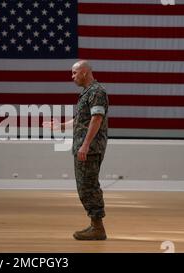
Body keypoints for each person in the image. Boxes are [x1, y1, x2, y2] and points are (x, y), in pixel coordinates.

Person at [44, 60, 109, 241]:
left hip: (90, 148)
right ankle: (95, 225)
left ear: (85, 72)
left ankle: (98, 228)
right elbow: (81, 119)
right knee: (84, 185)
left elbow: (96, 119)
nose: (72, 77)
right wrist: (61, 126)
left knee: (88, 186)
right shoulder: (87, 93)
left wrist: (86, 144)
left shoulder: (96, 92)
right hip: (84, 146)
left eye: (74, 73)